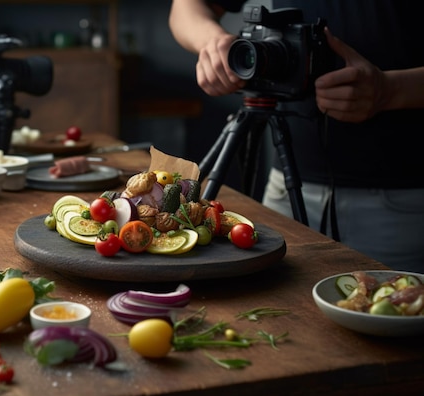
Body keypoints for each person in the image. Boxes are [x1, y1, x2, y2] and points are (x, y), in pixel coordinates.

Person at [169, 0, 424, 275]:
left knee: (393, 311)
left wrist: (391, 90)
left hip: (400, 205)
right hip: (286, 189)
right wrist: (214, 43)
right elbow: (186, 7)